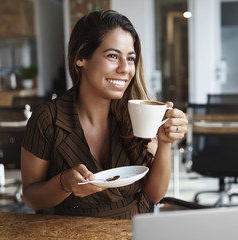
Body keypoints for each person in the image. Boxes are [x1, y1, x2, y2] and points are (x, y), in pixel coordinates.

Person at [20, 9, 188, 219]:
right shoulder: (48, 118)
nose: (124, 69)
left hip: (133, 229)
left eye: (130, 58)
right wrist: (64, 183)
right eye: (112, 56)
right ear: (81, 58)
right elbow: (31, 198)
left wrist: (164, 143)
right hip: (72, 232)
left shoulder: (137, 113)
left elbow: (154, 195)